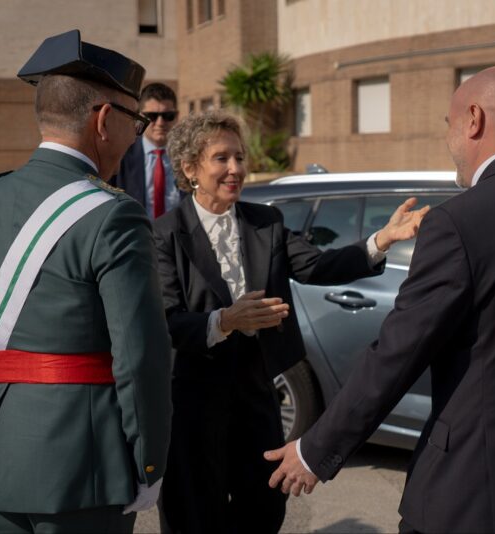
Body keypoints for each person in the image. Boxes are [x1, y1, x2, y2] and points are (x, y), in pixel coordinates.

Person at [266, 66, 495, 534]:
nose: (448, 139)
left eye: (448, 124)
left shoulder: (457, 222)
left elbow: (398, 354)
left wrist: (315, 450)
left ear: (473, 119)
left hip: (479, 493)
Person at [151, 110, 429, 533]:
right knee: (193, 513)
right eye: (222, 158)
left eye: (239, 157)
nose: (235, 168)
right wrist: (224, 321)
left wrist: (382, 239)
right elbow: (167, 320)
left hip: (256, 397)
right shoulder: (164, 234)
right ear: (190, 168)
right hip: (192, 401)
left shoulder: (267, 222)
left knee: (264, 507)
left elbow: (319, 266)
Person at [0, 30, 172, 533]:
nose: (136, 136)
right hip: (85, 465)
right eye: (135, 122)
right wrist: (149, 463)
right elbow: (140, 356)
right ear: (104, 120)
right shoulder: (114, 215)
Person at [111, 82, 183, 218]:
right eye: (152, 116)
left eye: (168, 115)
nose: (160, 123)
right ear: (140, 116)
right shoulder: (122, 155)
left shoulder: (188, 156)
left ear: (177, 116)